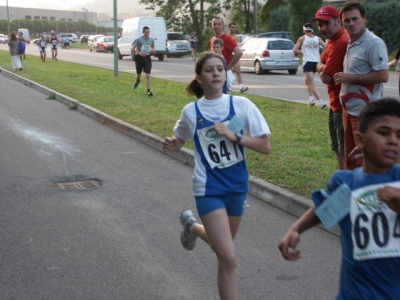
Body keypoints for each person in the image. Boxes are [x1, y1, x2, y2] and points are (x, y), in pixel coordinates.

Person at [163, 52, 271, 300]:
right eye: (210, 70)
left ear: (226, 73)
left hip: (237, 187)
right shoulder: (192, 111)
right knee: (229, 257)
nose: (216, 74)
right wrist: (174, 143)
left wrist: (235, 136)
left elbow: (265, 147)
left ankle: (192, 228)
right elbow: (180, 137)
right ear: (199, 78)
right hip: (208, 189)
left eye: (220, 69)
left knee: (221, 249)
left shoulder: (241, 105)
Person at [279, 97, 400, 299]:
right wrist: (296, 229)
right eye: (383, 133)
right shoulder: (346, 183)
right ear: (360, 139)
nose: (393, 141)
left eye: (399, 135)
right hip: (354, 293)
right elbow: (328, 209)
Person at [333, 1, 389, 170]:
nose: (351, 23)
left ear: (364, 18)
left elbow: (383, 75)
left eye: (354, 19)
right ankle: (352, 193)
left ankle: (365, 194)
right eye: (347, 20)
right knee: (350, 156)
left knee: (363, 158)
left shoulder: (374, 43)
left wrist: (350, 77)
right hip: (349, 110)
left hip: (365, 112)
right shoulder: (351, 42)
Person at [313, 6, 349, 170]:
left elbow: (326, 77)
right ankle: (343, 182)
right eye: (320, 24)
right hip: (335, 102)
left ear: (338, 21)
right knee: (338, 148)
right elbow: (320, 63)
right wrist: (322, 66)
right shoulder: (332, 41)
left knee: (344, 149)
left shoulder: (341, 42)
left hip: (343, 105)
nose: (323, 28)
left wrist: (321, 67)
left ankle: (347, 186)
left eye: (326, 23)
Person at [293, 22, 327, 108]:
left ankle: (321, 101)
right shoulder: (317, 38)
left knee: (311, 83)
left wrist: (303, 51)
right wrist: (322, 54)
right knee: (307, 80)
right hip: (317, 62)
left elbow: (295, 50)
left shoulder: (302, 38)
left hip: (308, 62)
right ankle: (311, 99)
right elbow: (326, 47)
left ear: (304, 30)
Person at [210, 17, 247, 93]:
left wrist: (229, 66)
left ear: (223, 26)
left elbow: (239, 52)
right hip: (213, 74)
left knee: (224, 99)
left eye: (219, 24)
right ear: (212, 26)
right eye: (214, 24)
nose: (216, 26)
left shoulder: (227, 38)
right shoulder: (213, 39)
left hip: (223, 75)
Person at [131, 26, 156, 97]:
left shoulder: (151, 40)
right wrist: (139, 53)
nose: (147, 33)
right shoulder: (138, 39)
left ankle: (148, 91)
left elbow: (153, 47)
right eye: (146, 32)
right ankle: (138, 81)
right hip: (139, 58)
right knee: (138, 74)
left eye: (148, 32)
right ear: (143, 32)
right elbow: (132, 49)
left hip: (147, 58)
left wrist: (154, 50)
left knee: (148, 75)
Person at [227, 22, 248, 93]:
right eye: (232, 27)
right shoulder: (226, 36)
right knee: (229, 72)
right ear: (229, 28)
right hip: (228, 56)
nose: (233, 29)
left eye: (234, 27)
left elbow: (236, 46)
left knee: (238, 71)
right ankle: (229, 86)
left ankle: (241, 86)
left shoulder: (236, 37)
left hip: (234, 56)